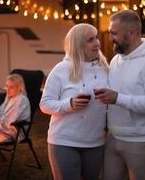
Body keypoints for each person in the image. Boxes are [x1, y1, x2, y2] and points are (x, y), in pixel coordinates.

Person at [94, 10, 145, 180]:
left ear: (131, 32)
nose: (109, 38)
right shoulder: (116, 59)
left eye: (114, 33)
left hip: (141, 141)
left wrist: (117, 98)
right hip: (113, 137)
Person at [40, 23, 109, 180]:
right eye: (90, 39)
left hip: (95, 141)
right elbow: (44, 104)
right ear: (78, 44)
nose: (97, 42)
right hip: (64, 141)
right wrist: (69, 104)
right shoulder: (61, 69)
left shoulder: (105, 68)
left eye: (96, 37)